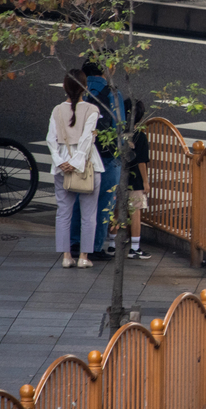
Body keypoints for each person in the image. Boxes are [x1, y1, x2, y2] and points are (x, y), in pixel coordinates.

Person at [47, 70, 104, 268]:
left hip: (62, 165)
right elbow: (87, 139)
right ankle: (83, 257)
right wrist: (77, 161)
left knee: (63, 212)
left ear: (64, 87)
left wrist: (59, 160)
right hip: (88, 165)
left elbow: (51, 139)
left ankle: (66, 256)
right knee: (89, 214)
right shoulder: (92, 110)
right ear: (85, 88)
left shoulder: (57, 110)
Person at [69, 58, 125, 261]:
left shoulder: (78, 89)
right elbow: (119, 127)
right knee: (104, 202)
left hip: (81, 153)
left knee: (78, 198)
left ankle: (74, 243)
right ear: (107, 69)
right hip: (107, 155)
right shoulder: (112, 93)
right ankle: (94, 246)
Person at [123, 100, 151, 259]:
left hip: (119, 178)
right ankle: (134, 248)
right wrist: (145, 182)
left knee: (117, 211)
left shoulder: (117, 134)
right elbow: (141, 161)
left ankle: (112, 245)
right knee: (135, 213)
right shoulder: (140, 136)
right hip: (135, 181)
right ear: (140, 117)